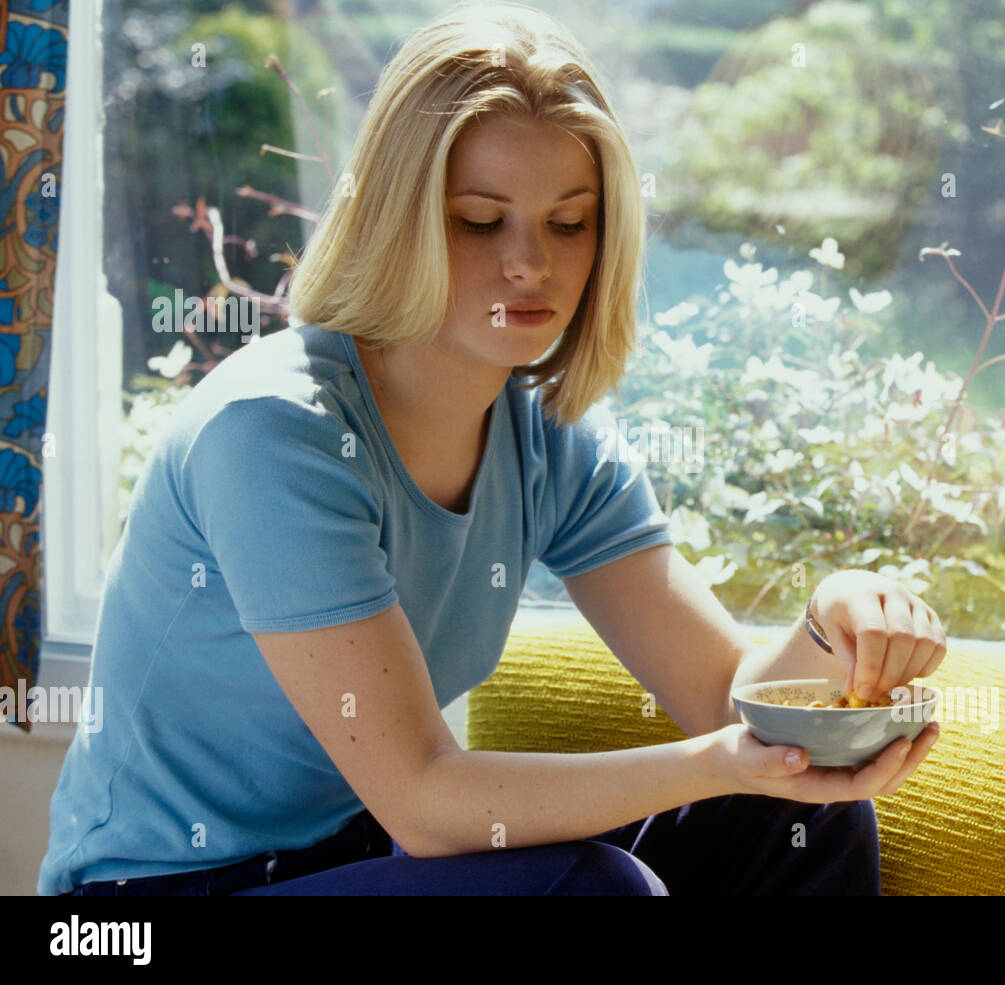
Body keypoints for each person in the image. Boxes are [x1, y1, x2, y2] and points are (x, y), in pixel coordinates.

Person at [38, 0, 945, 897]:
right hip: (163, 895)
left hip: (368, 857)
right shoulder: (273, 432)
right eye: (481, 220)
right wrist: (725, 761)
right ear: (398, 217)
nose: (531, 264)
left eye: (569, 221)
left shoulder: (549, 439)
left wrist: (832, 625)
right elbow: (427, 800)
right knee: (596, 888)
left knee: (801, 813)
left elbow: (727, 700)